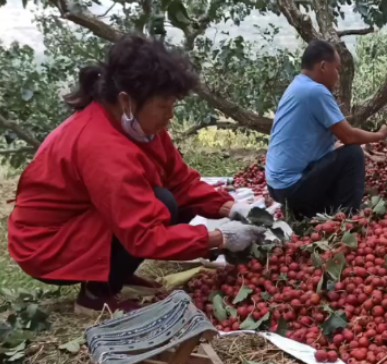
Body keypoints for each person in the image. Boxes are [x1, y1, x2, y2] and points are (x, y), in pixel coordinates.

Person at [8, 35, 266, 315]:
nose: (170, 116)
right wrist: (218, 238)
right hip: (48, 246)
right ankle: (96, 294)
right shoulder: (101, 146)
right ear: (126, 101)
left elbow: (181, 181)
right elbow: (143, 235)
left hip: (84, 223)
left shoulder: (139, 126)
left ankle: (114, 276)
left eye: (173, 106)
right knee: (162, 203)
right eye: (163, 107)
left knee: (171, 199)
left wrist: (232, 207)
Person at [265, 40, 387, 218]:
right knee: (353, 154)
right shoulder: (315, 91)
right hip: (291, 188)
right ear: (323, 66)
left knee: (342, 152)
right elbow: (349, 136)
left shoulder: (298, 85)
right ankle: (347, 217)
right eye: (337, 69)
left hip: (277, 187)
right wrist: (380, 135)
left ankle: (307, 210)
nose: (338, 76)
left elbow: (330, 140)